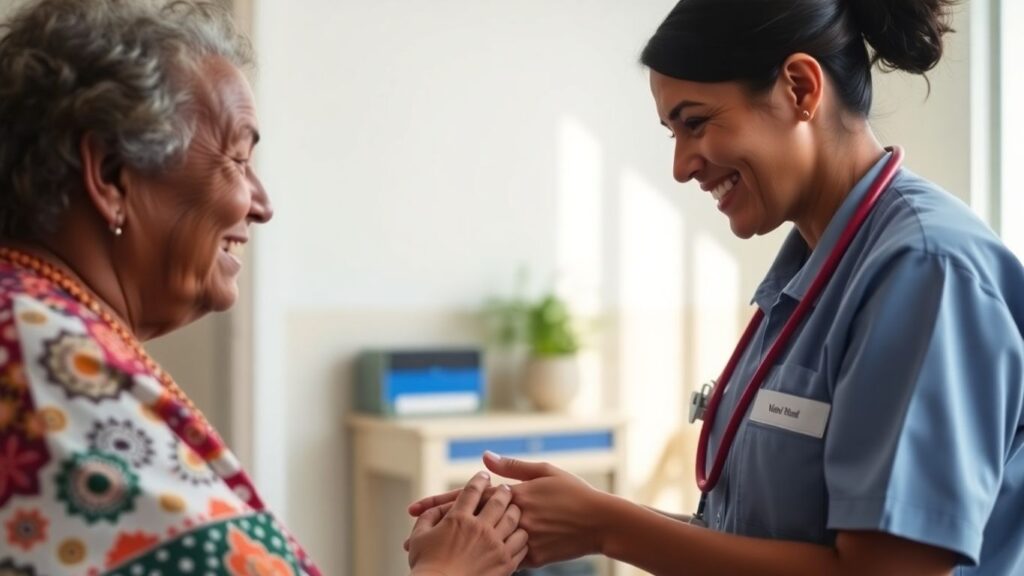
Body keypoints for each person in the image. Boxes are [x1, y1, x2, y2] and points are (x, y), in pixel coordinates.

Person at [409, 0, 1024, 574]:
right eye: (672, 133)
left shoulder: (925, 269)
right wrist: (570, 518)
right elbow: (758, 535)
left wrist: (607, 527)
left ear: (800, 88)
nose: (681, 166)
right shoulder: (808, 280)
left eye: (696, 123)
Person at [0, 1, 526, 575]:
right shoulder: (35, 352)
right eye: (237, 158)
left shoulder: (43, 328)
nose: (262, 204)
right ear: (109, 173)